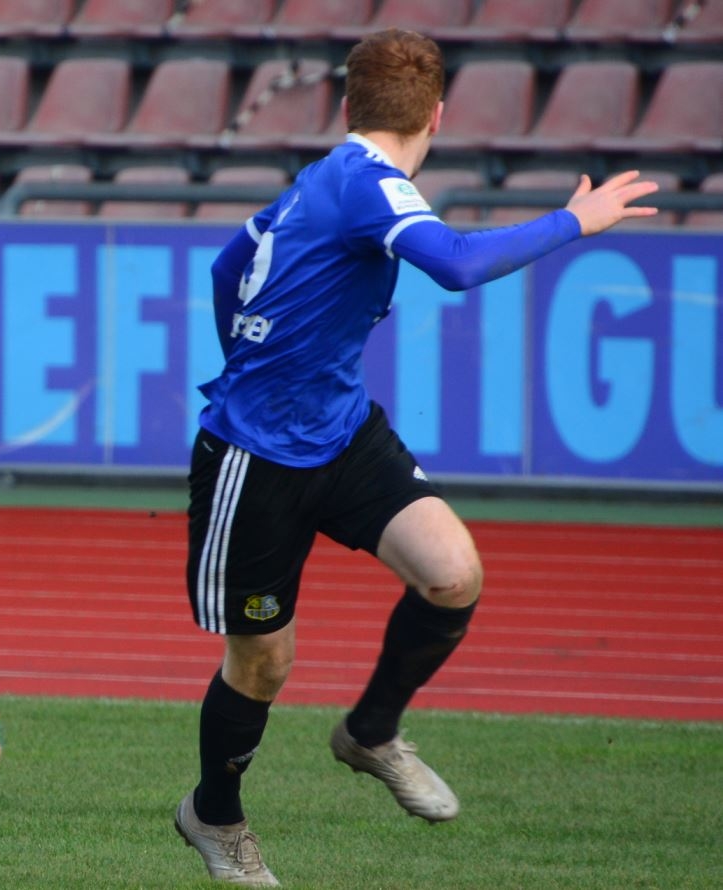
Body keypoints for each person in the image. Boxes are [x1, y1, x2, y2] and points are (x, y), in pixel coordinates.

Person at [173, 29, 658, 886]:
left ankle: (369, 732)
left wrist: (260, 345)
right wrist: (573, 221)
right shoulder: (364, 183)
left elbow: (227, 266)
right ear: (438, 113)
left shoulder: (333, 177)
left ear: (346, 103)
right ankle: (213, 815)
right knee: (262, 661)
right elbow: (456, 266)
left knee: (450, 574)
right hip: (256, 454)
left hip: (342, 429)